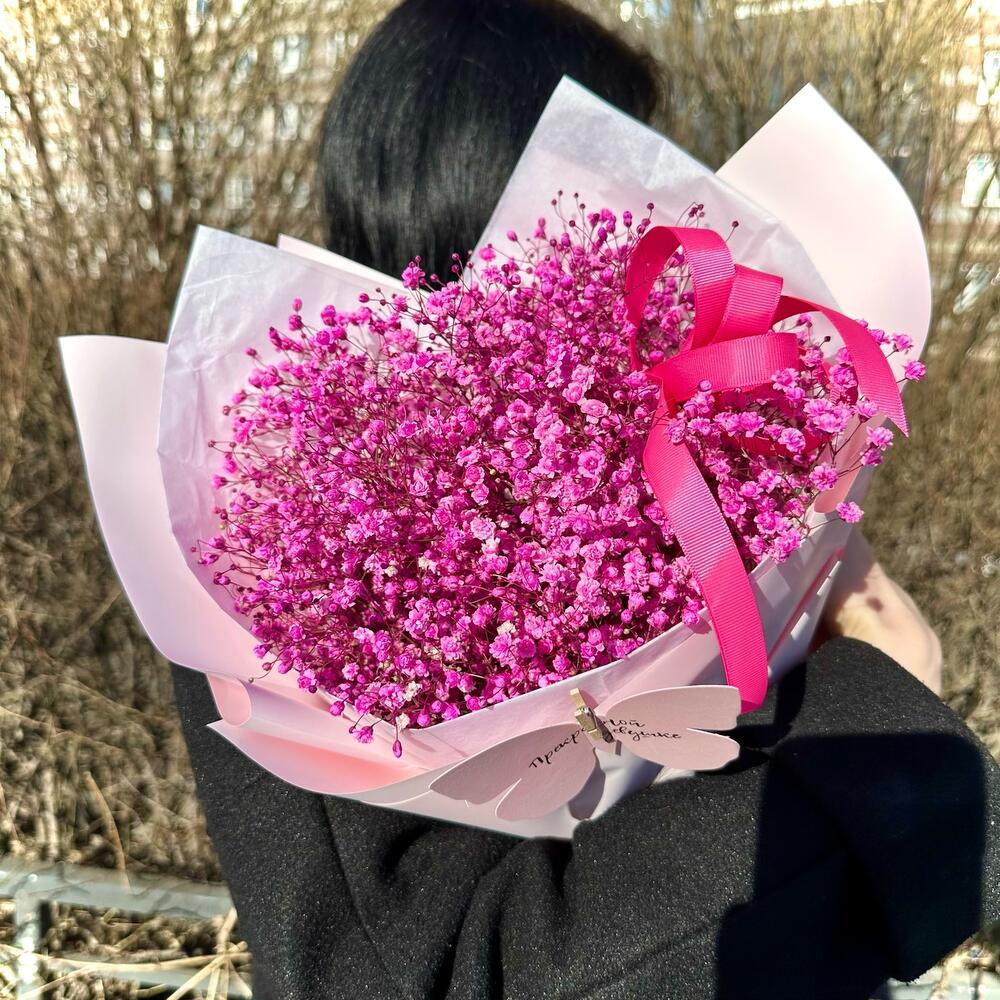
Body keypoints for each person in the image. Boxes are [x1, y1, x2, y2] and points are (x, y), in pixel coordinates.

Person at [170, 2, 997, 997]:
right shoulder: (281, 537)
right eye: (633, 158)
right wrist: (874, 739)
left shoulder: (702, 458)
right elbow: (421, 970)